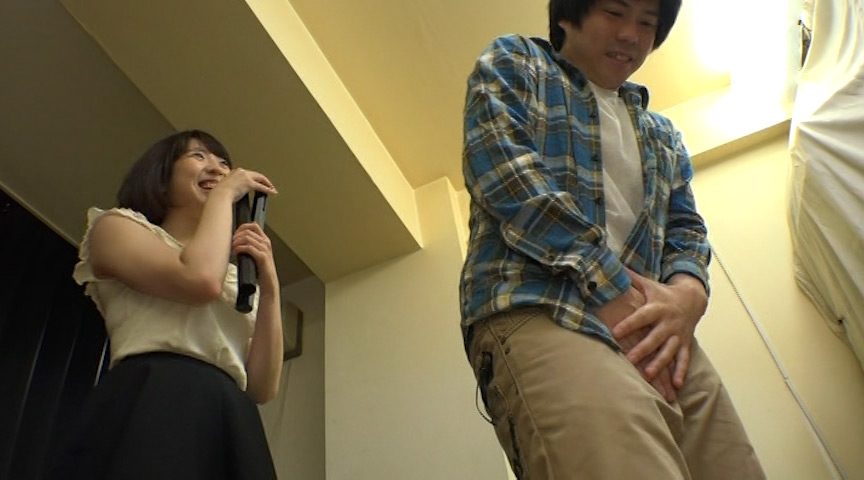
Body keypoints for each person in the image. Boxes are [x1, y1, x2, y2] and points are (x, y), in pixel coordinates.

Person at [460, 1, 766, 478]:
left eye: (647, 23)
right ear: (567, 15)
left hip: (656, 325)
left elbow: (687, 228)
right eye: (615, 12)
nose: (631, 34)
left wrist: (689, 295)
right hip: (542, 302)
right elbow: (505, 175)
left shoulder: (663, 134)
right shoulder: (518, 62)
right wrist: (608, 286)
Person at [48, 130, 282, 479]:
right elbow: (199, 281)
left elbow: (262, 386)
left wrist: (271, 287)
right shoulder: (116, 227)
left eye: (224, 163)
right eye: (199, 156)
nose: (218, 169)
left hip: (229, 411)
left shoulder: (235, 278)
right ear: (160, 177)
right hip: (154, 394)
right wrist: (224, 195)